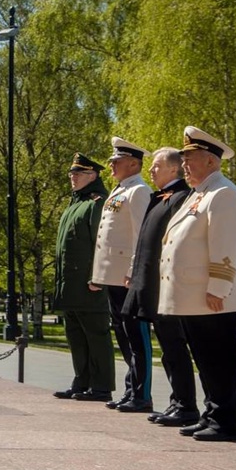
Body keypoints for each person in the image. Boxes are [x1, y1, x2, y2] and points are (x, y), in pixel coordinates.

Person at [160, 126, 236, 442]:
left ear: (210, 161)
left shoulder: (223, 193)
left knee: (220, 359)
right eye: (183, 158)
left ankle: (226, 422)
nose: (184, 164)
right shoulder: (201, 194)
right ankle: (212, 414)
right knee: (205, 359)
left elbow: (225, 246)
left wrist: (218, 288)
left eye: (190, 158)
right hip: (194, 296)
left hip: (212, 297)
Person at [121, 147, 197, 427]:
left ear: (173, 169)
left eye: (157, 166)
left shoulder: (179, 198)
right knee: (165, 345)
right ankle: (178, 402)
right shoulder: (161, 198)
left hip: (165, 286)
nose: (151, 170)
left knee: (174, 345)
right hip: (149, 283)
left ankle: (185, 404)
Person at [91, 137, 153, 413]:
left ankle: (142, 393)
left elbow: (142, 235)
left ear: (133, 163)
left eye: (117, 161)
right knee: (123, 333)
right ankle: (131, 389)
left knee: (136, 336)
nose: (112, 165)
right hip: (113, 276)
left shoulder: (138, 190)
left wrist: (133, 271)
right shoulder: (121, 190)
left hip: (127, 277)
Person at [52, 153, 114, 403]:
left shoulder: (97, 202)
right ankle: (82, 381)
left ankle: (101, 387)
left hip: (90, 285)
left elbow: (102, 242)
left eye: (78, 173)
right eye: (71, 173)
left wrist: (97, 277)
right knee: (76, 335)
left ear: (93, 176)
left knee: (96, 335)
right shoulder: (75, 203)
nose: (73, 177)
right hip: (70, 284)